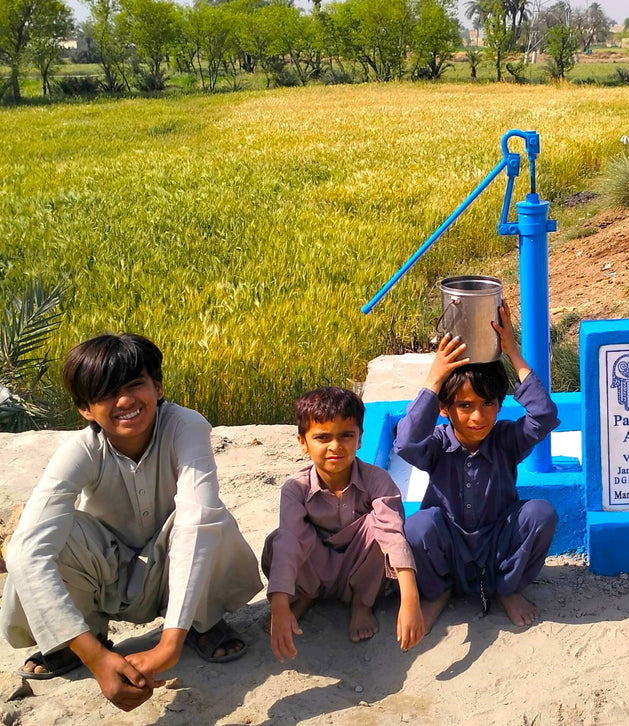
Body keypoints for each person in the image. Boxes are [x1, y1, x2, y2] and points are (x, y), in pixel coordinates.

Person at [1, 334, 262, 712]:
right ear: (86, 409)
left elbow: (196, 521)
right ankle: (81, 637)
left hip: (171, 566)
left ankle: (198, 622)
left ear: (158, 387)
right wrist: (96, 658)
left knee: (209, 517)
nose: (124, 401)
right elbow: (27, 551)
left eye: (135, 385)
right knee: (48, 536)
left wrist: (167, 646)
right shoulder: (80, 451)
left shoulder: (185, 426)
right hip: (108, 575)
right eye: (107, 393)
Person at [394, 301, 559, 630]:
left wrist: (512, 352)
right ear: (445, 409)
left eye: (488, 404)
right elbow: (406, 443)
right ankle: (438, 592)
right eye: (465, 405)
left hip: (497, 544)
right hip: (450, 546)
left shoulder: (506, 440)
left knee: (541, 513)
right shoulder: (438, 445)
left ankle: (507, 589)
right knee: (417, 526)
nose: (478, 416)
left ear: (499, 405)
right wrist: (434, 379)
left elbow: (544, 415)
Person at [261, 387, 424, 660]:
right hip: (316, 565)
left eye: (346, 435)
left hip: (359, 567)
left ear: (359, 439)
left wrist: (410, 599)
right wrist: (279, 606)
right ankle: (304, 596)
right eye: (322, 437)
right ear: (303, 442)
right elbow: (289, 543)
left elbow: (393, 534)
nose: (335, 446)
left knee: (379, 528)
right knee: (278, 541)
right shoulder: (295, 488)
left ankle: (362, 604)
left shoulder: (377, 480)